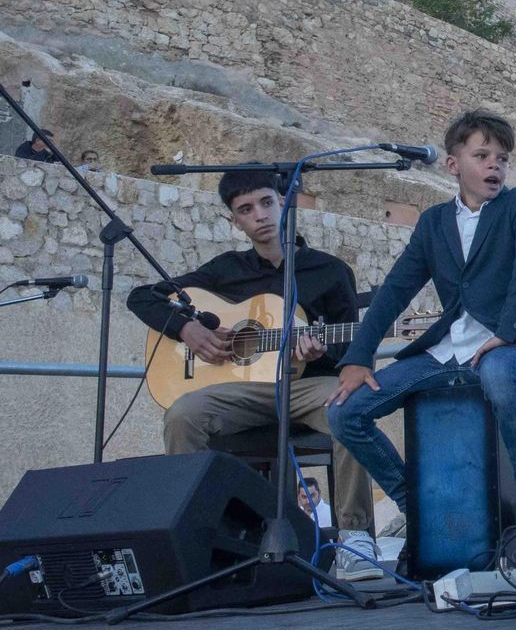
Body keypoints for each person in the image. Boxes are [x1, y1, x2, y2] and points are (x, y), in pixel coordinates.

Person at [327, 109, 516, 570]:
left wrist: (506, 332)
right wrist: (359, 356)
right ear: (453, 165)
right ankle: (420, 505)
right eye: (483, 155)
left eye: (502, 159)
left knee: (500, 380)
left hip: (508, 347)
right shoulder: (433, 223)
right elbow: (393, 291)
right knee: (344, 412)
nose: (495, 166)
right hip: (444, 351)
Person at [127, 169, 378, 579]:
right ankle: (197, 536)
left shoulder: (329, 271)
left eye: (266, 203)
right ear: (235, 221)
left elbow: (350, 350)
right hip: (241, 391)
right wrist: (187, 328)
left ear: (284, 204)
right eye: (246, 209)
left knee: (350, 405)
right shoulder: (225, 270)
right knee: (182, 415)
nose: (259, 215)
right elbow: (142, 297)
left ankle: (355, 538)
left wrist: (319, 349)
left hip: (306, 385)